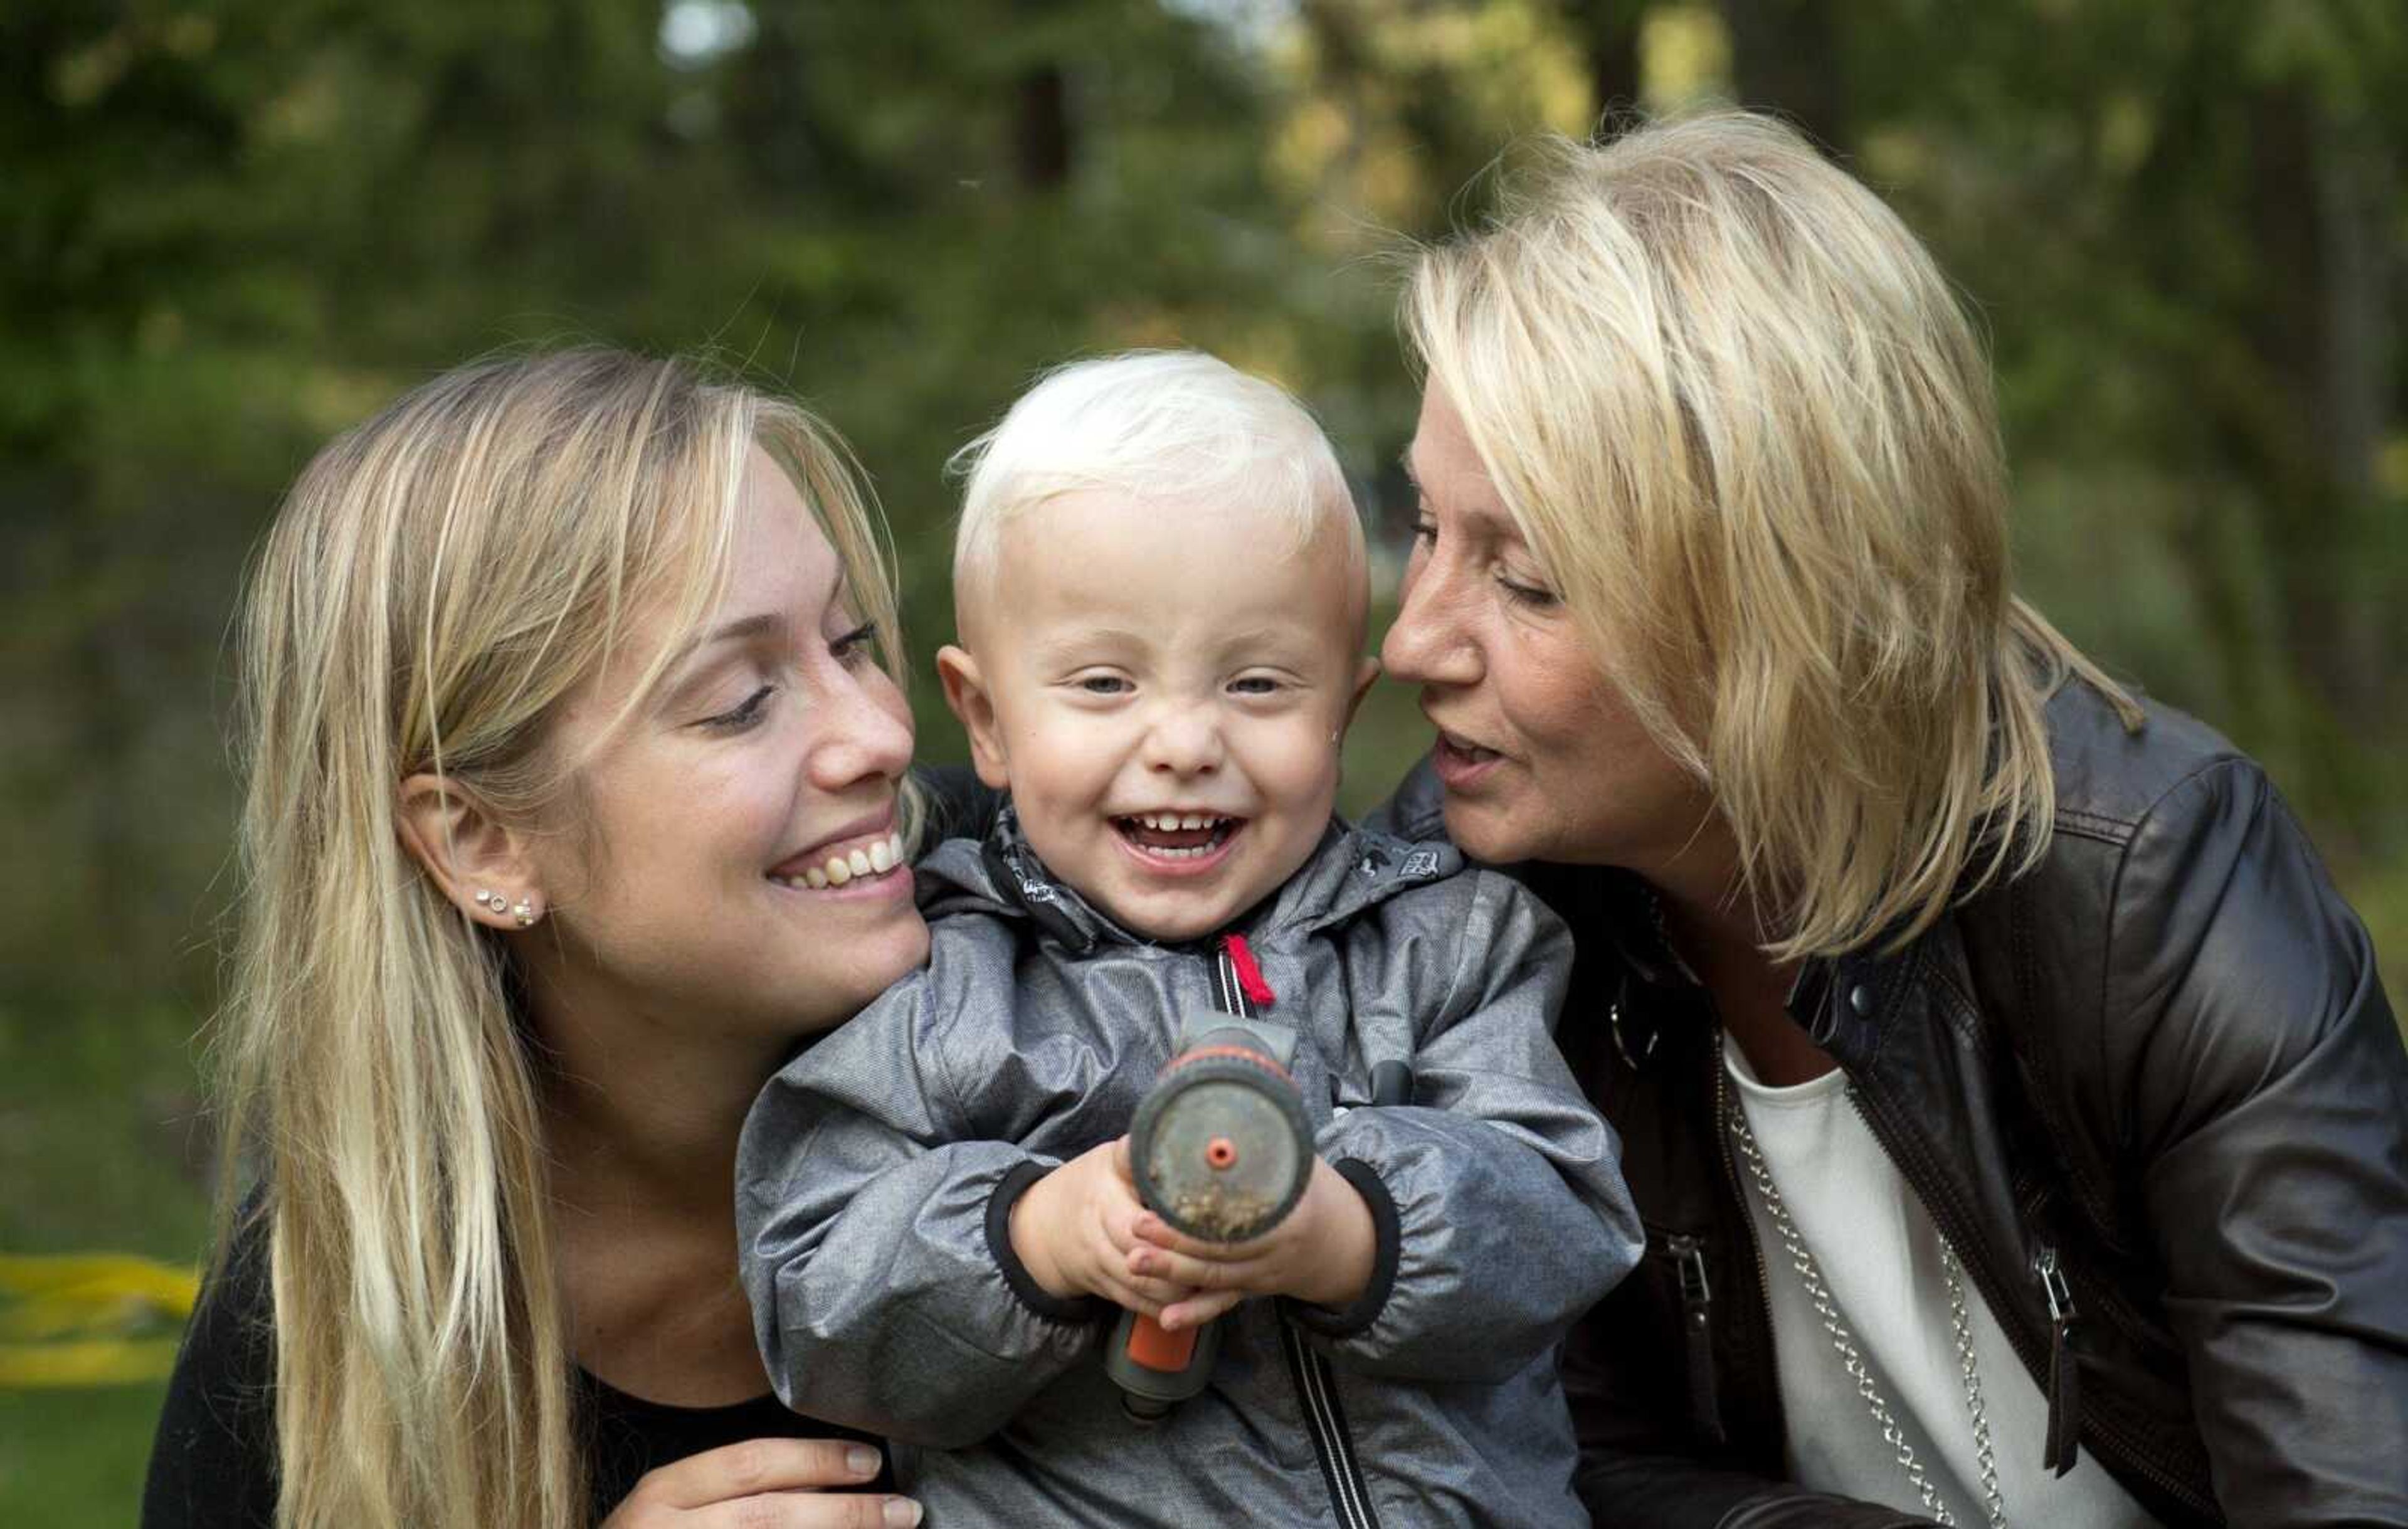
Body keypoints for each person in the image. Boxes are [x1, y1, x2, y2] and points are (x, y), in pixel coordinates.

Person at [1371, 109, 2408, 1529]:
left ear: (1776, 605)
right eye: (1427, 527)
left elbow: (2352, 1478)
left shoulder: (2151, 888)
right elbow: (1530, 1454)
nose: (1414, 638)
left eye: (1528, 579)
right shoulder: (1451, 916)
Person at [736, 350, 1643, 1527]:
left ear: (1342, 713)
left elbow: (1564, 1211)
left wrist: (1351, 1227)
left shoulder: (1445, 942)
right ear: (987, 719)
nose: (1182, 741)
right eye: (1107, 683)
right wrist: (1032, 1235)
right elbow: (815, 1299)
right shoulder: (936, 982)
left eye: (1258, 685)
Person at [142, 349, 949, 1529]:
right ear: (479, 843)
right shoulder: (334, 1324)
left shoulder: (1085, 952)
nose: (876, 734)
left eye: (852, 640)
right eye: (740, 699)